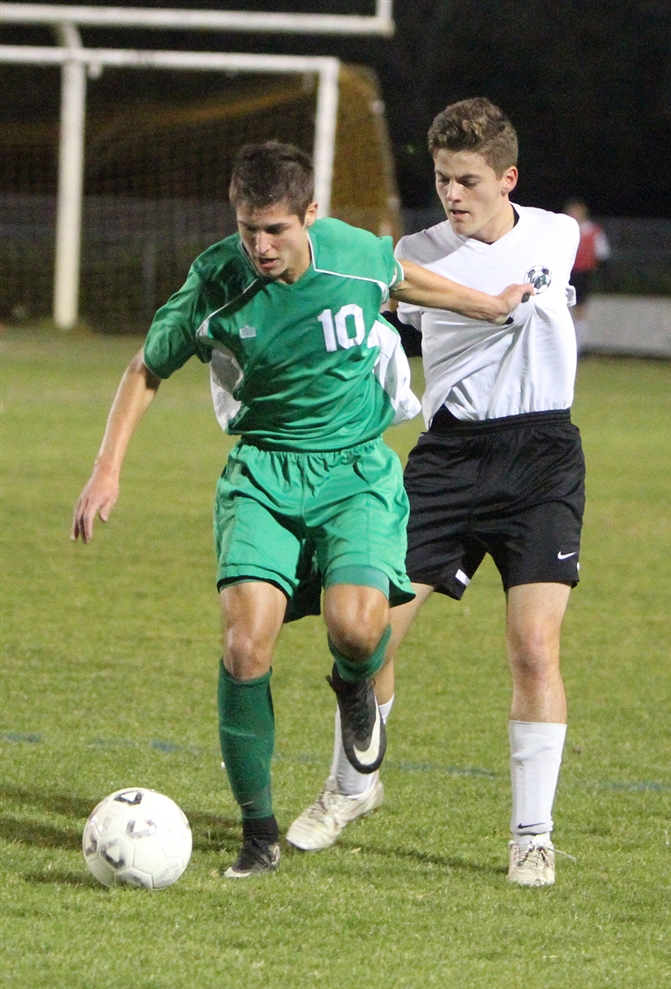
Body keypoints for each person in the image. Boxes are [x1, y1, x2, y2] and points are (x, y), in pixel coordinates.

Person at [71, 141, 531, 879]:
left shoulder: (351, 254)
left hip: (354, 471)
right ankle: (259, 832)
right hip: (262, 473)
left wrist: (490, 304)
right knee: (245, 645)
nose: (260, 245)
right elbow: (145, 366)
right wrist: (106, 470)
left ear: (310, 216)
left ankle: (356, 688)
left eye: (276, 229)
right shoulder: (217, 279)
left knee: (358, 627)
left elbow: (404, 278)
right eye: (249, 227)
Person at [287, 100, 585, 888]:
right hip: (447, 458)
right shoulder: (410, 256)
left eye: (469, 181)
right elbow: (365, 320)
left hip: (542, 457)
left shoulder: (558, 234)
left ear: (508, 178)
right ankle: (354, 786)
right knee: (369, 632)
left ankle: (532, 836)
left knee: (533, 646)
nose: (453, 194)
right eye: (444, 180)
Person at [563, 198, 611, 352]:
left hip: (583, 273)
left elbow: (602, 253)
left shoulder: (593, 231)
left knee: (580, 310)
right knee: (561, 308)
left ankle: (578, 346)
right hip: (565, 273)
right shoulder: (564, 228)